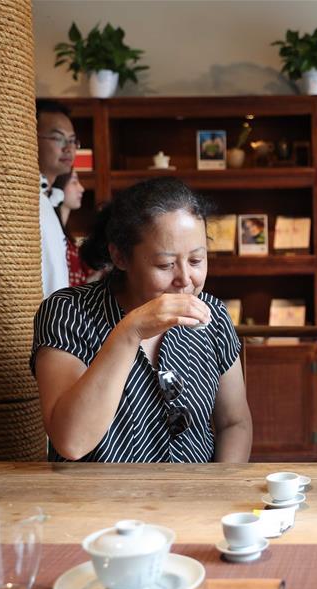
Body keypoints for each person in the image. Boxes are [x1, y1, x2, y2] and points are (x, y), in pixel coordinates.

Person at [31, 177, 253, 462]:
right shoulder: (68, 312)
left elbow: (234, 423)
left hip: (196, 490)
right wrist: (130, 331)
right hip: (97, 492)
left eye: (196, 260)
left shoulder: (213, 315)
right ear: (120, 257)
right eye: (165, 264)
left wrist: (221, 485)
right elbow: (71, 442)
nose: (185, 279)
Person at [36, 99, 76, 296]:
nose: (68, 148)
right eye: (58, 138)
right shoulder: (28, 201)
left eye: (72, 140)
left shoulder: (49, 199)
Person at [52, 169, 95, 286]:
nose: (81, 188)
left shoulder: (66, 237)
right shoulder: (53, 235)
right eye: (74, 182)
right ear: (59, 185)